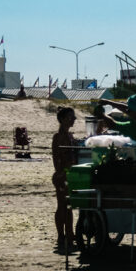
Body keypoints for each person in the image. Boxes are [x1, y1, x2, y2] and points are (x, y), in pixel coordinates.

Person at [51, 107, 78, 251]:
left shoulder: (70, 136)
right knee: (63, 206)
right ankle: (62, 235)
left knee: (68, 206)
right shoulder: (59, 136)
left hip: (70, 175)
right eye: (70, 117)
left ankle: (69, 234)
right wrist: (61, 174)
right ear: (62, 119)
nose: (73, 119)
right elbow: (56, 160)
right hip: (63, 176)